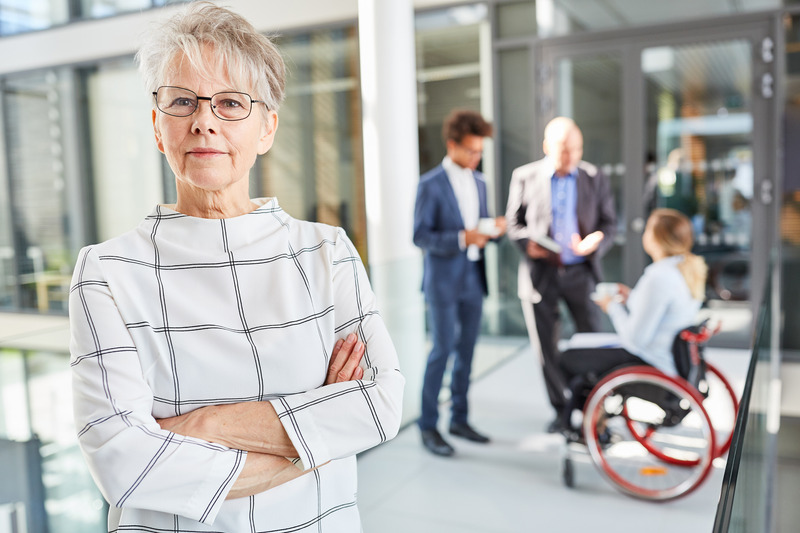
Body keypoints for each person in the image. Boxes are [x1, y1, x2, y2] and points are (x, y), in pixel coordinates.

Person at [68, 4, 403, 532]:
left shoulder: (326, 252)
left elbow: (379, 404)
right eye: (182, 101)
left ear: (267, 128)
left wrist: (201, 425)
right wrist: (316, 435)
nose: (203, 120)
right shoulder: (106, 271)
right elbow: (122, 461)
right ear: (158, 127)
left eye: (229, 103)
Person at [505, 116, 616, 433]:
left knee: (593, 343)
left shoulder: (594, 176)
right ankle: (561, 410)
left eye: (576, 150)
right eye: (563, 151)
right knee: (547, 349)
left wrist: (598, 240)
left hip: (582, 274)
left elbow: (610, 224)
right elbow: (514, 225)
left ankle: (597, 411)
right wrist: (528, 245)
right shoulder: (524, 176)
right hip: (542, 276)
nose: (570, 157)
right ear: (546, 147)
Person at [557, 208, 708, 431]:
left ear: (657, 239)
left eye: (647, 229)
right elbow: (665, 312)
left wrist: (613, 307)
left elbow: (635, 339)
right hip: (673, 361)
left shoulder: (658, 277)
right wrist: (632, 297)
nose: (644, 234)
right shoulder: (687, 270)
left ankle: (593, 422)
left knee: (567, 358)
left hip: (650, 363)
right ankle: (597, 417)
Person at [413, 109, 506, 456]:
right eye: (470, 150)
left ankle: (459, 419)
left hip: (472, 278)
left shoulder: (480, 182)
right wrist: (461, 238)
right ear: (452, 145)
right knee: (442, 351)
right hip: (442, 280)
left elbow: (477, 229)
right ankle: (427, 426)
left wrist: (492, 231)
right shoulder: (430, 184)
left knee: (467, 351)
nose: (476, 157)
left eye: (480, 151)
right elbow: (420, 236)